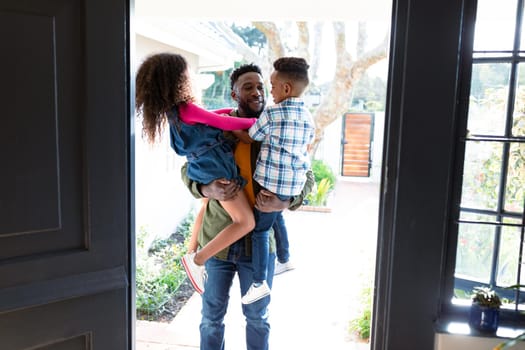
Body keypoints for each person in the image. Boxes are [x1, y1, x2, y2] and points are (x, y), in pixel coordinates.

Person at [181, 63, 314, 350]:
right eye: (248, 87)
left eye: (261, 86)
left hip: (260, 248)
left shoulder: (281, 122)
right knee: (211, 318)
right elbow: (189, 167)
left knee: (258, 318)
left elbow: (306, 174)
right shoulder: (218, 130)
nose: (257, 92)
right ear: (233, 93)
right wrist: (206, 188)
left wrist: (286, 200)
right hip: (218, 242)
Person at [135, 52, 258, 294]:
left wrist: (230, 115)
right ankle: (197, 260)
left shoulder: (176, 113)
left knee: (203, 207)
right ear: (179, 80)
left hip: (203, 166)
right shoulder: (187, 109)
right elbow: (222, 123)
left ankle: (191, 252)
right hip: (216, 168)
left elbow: (214, 117)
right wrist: (254, 123)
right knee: (246, 221)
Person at [239, 57, 315, 304]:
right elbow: (307, 142)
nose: (268, 91)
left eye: (270, 85)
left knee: (261, 230)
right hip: (291, 185)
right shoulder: (307, 115)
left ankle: (259, 282)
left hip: (270, 184)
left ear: (286, 88)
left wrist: (230, 128)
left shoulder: (272, 112)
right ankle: (285, 258)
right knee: (277, 217)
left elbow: (253, 136)